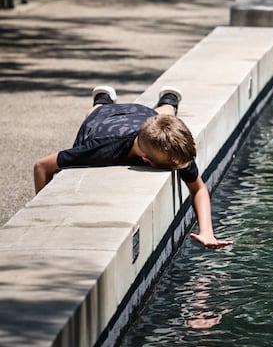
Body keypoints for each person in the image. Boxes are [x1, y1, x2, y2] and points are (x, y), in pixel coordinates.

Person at [33, 85, 233, 249]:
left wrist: (207, 231)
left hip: (145, 116)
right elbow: (42, 166)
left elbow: (198, 188)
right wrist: (42, 218)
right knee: (94, 112)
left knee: (163, 115)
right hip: (104, 120)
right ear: (147, 160)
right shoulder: (101, 149)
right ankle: (102, 99)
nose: (182, 169)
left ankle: (169, 99)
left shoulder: (173, 151)